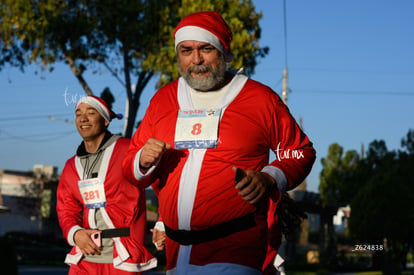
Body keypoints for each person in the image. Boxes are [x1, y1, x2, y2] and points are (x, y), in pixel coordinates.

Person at [122, 11, 316, 275]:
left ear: (224, 52)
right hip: (177, 254)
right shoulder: (162, 101)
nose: (196, 59)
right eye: (186, 50)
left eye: (206, 49)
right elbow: (130, 167)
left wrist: (270, 179)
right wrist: (141, 161)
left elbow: (300, 152)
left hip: (236, 249)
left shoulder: (260, 99)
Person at [56, 95, 157, 274]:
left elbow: (161, 182)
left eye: (91, 113)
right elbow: (66, 208)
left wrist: (163, 223)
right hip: (84, 259)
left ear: (106, 121)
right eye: (78, 114)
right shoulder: (71, 165)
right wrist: (75, 233)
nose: (83, 118)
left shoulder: (128, 149)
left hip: (124, 258)